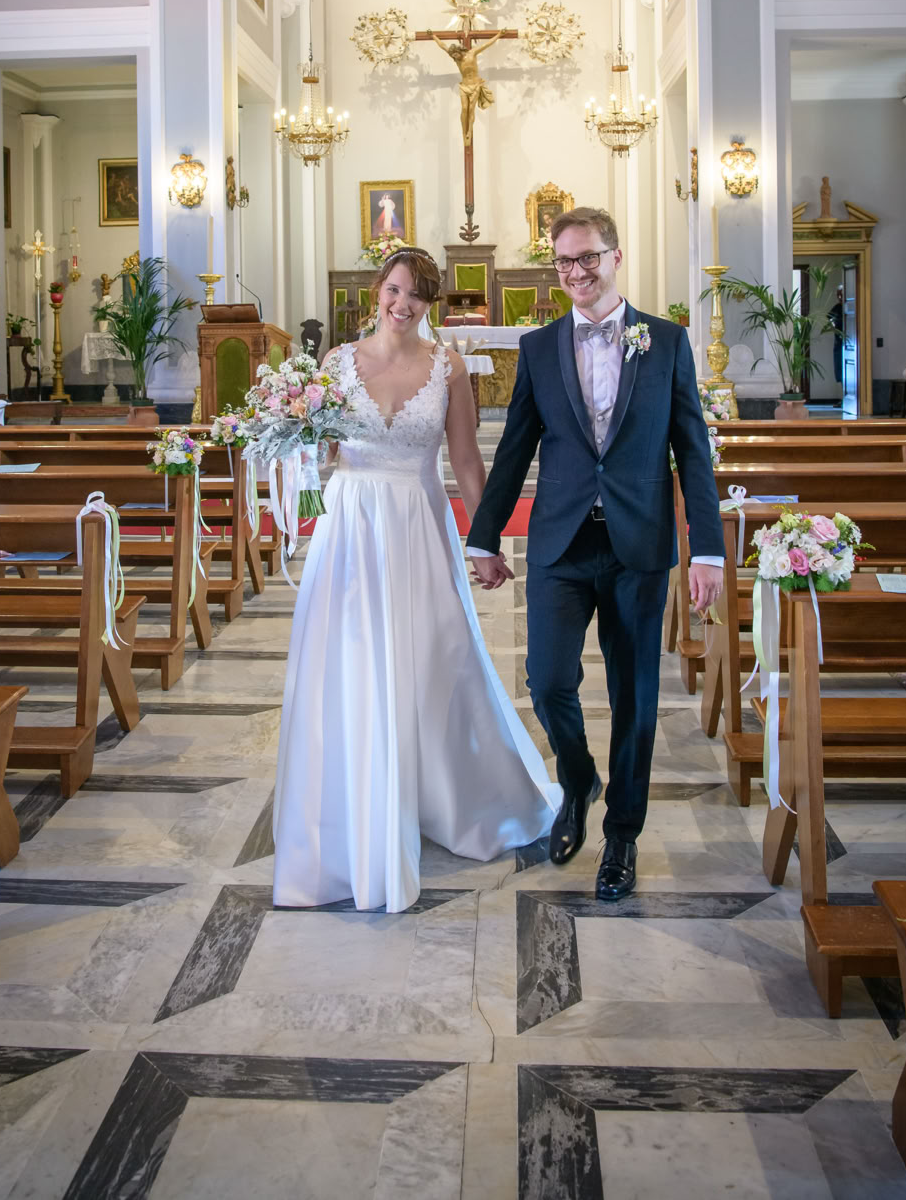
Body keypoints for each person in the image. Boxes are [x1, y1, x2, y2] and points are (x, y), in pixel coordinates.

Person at [272, 247, 559, 913]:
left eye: (418, 297)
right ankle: (358, 806)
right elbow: (314, 454)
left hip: (420, 524)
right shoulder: (336, 364)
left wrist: (485, 537)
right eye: (396, 290)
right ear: (379, 289)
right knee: (352, 666)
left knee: (434, 658)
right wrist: (310, 520)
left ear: (431, 305)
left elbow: (463, 456)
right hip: (350, 529)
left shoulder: (449, 368)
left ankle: (442, 795)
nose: (403, 305)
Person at [467, 207, 724, 901]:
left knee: (635, 697)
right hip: (561, 541)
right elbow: (516, 446)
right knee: (548, 682)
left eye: (588, 258)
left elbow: (692, 453)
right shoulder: (538, 345)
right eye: (565, 262)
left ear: (616, 256)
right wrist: (484, 536)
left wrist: (709, 553)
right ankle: (578, 780)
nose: (576, 272)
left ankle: (621, 836)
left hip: (639, 545)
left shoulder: (665, 341)